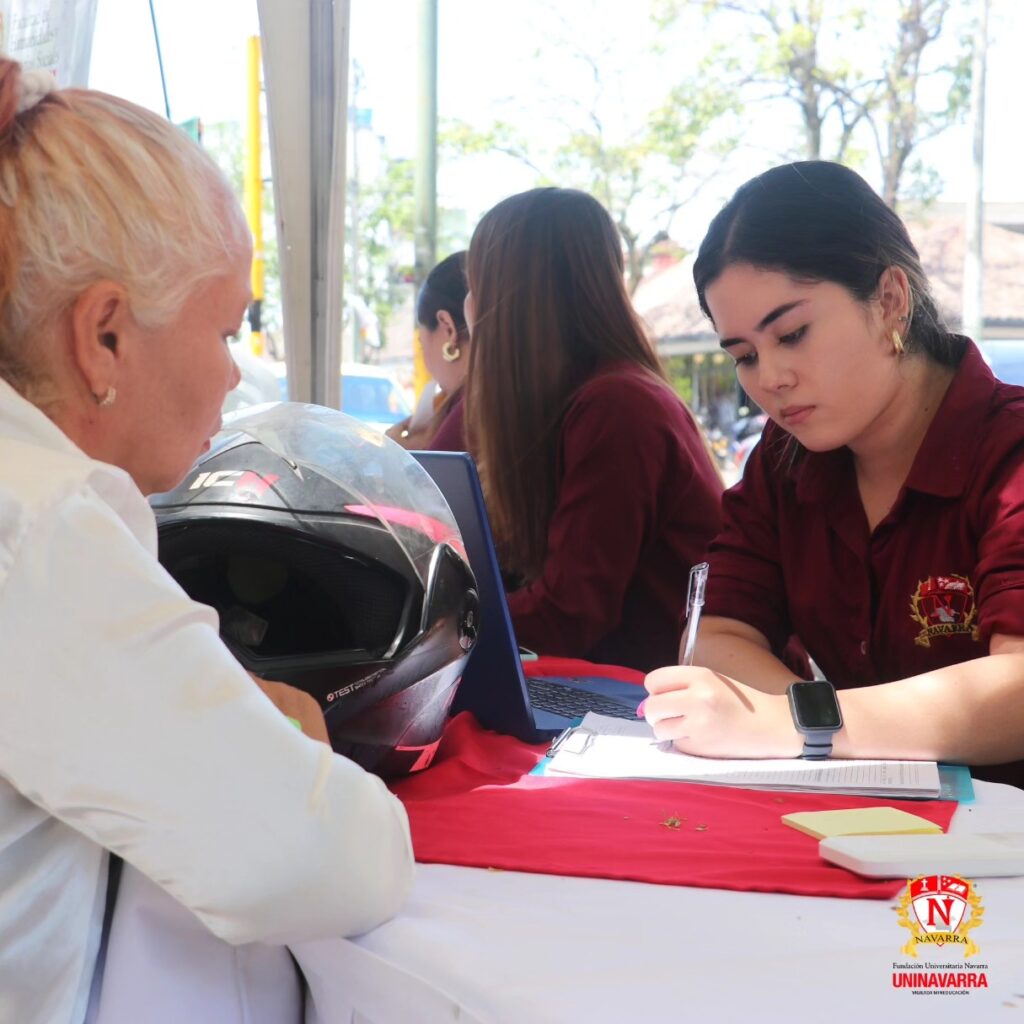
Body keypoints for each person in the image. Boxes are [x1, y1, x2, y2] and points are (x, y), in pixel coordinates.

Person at [0, 59, 412, 1024]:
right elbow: (319, 861)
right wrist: (292, 747)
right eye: (227, 330)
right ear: (104, 335)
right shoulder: (40, 526)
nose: (235, 374)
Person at [642, 161, 1024, 787]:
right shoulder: (785, 458)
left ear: (890, 301)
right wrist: (812, 729)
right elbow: (716, 635)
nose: (771, 378)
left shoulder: (1009, 452)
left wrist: (797, 723)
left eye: (792, 334)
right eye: (744, 355)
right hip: (867, 820)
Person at [463, 187, 723, 672]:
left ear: (507, 303)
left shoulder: (618, 408)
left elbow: (568, 614)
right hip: (633, 687)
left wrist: (438, 622)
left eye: (475, 285)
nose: (470, 306)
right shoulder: (596, 400)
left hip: (671, 698)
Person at [386, 251, 469, 450]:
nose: (428, 368)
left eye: (422, 345)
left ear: (448, 328)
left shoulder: (467, 411)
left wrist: (402, 457)